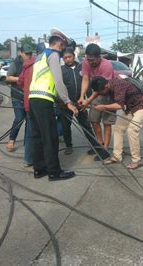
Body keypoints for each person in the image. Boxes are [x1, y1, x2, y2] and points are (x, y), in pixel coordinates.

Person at [28, 29, 78, 181]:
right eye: (64, 47)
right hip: (44, 100)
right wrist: (68, 102)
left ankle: (39, 169)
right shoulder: (54, 55)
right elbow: (58, 81)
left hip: (33, 98)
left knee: (38, 136)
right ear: (61, 44)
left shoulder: (40, 56)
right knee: (50, 137)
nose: (64, 51)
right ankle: (54, 172)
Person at [87, 76, 143, 169]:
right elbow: (97, 93)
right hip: (131, 107)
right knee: (118, 128)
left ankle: (136, 161)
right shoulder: (108, 84)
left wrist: (104, 107)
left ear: (106, 87)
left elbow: (119, 105)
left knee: (132, 130)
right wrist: (87, 102)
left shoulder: (118, 86)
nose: (100, 94)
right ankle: (117, 156)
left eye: (101, 92)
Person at [78, 43, 117, 159]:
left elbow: (102, 89)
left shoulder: (107, 65)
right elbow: (85, 78)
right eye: (88, 59)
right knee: (94, 120)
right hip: (95, 93)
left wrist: (88, 101)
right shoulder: (85, 62)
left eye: (92, 60)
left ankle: (105, 149)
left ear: (99, 56)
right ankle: (99, 145)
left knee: (107, 122)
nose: (90, 62)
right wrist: (82, 97)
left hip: (107, 93)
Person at [60, 47, 99, 155]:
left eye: (70, 57)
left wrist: (88, 100)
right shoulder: (61, 70)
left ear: (74, 56)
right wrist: (65, 102)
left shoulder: (82, 67)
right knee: (66, 126)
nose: (68, 59)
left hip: (80, 103)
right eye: (65, 58)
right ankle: (68, 146)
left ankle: (95, 145)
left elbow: (88, 84)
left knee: (86, 125)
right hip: (66, 105)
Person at [17, 43, 45, 168]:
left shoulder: (27, 66)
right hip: (41, 103)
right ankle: (40, 159)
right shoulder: (42, 64)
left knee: (30, 132)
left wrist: (27, 91)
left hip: (29, 103)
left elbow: (20, 82)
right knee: (43, 132)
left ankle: (28, 159)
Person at [5, 45, 33, 152]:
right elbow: (8, 77)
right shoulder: (15, 63)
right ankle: (12, 139)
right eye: (27, 54)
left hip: (29, 96)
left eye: (30, 54)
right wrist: (22, 79)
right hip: (17, 96)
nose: (29, 56)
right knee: (19, 118)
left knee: (29, 120)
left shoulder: (32, 64)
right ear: (21, 52)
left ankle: (28, 142)